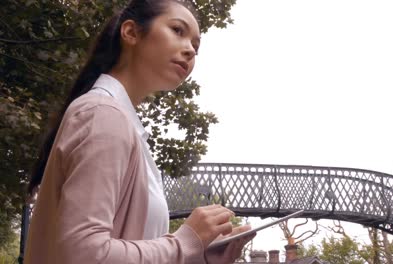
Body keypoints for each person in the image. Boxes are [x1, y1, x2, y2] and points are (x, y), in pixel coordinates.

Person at [24, 0, 254, 263]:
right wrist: (185, 242)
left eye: (196, 46)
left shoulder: (119, 121)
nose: (190, 50)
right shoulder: (103, 115)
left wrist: (197, 255)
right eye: (178, 30)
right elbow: (84, 254)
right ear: (131, 33)